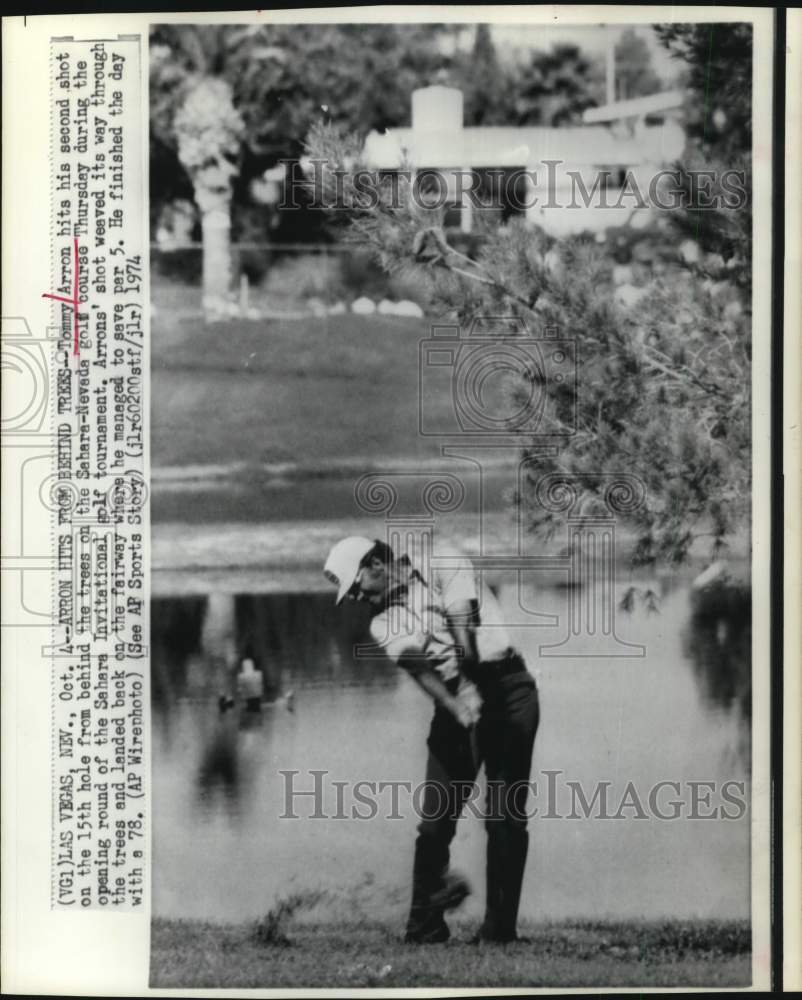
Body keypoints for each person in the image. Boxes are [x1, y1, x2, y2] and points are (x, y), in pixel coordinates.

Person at [323, 535, 539, 944]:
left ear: (376, 565)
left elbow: (462, 622)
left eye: (356, 586)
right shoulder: (381, 621)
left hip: (508, 689)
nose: (354, 597)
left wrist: (473, 681)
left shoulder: (442, 558)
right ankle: (424, 926)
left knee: (505, 815)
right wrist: (457, 703)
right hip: (453, 696)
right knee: (435, 823)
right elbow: (417, 666)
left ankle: (499, 931)